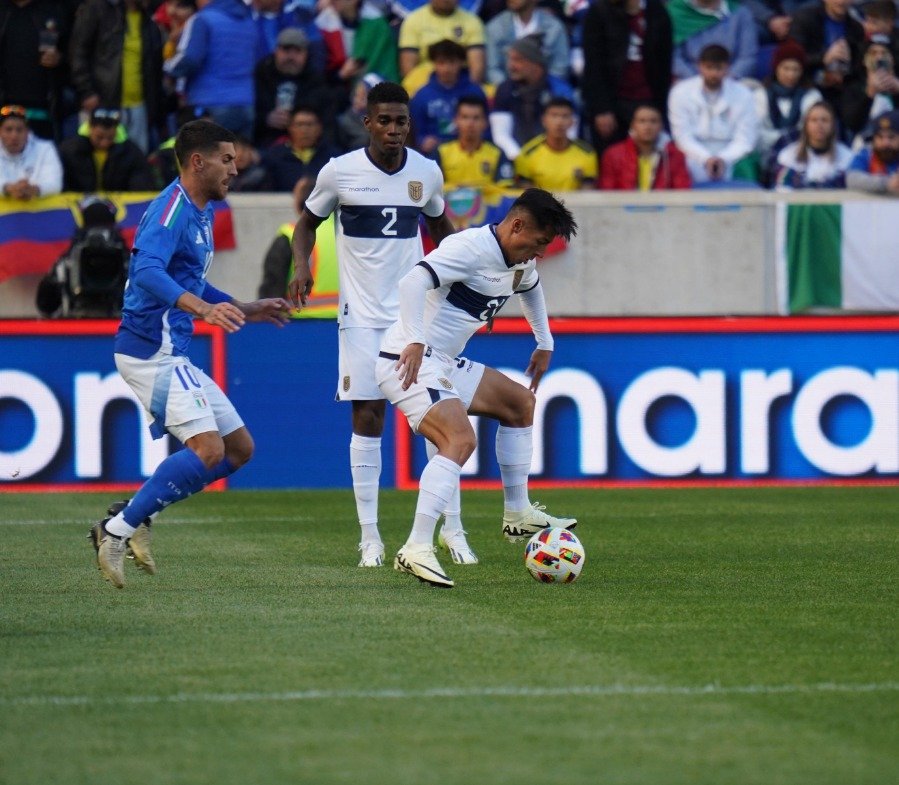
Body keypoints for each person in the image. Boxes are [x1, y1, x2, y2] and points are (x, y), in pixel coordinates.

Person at [88, 120, 292, 589]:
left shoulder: (200, 213)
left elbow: (191, 281)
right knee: (208, 448)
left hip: (171, 350)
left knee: (239, 449)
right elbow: (146, 271)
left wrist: (244, 306)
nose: (234, 170)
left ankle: (130, 514)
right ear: (197, 161)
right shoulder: (170, 210)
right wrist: (201, 309)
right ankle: (114, 531)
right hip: (149, 351)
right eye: (227, 159)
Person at [287, 81, 456, 568]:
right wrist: (303, 266)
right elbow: (305, 223)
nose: (393, 129)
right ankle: (371, 538)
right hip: (360, 317)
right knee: (368, 416)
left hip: (412, 316)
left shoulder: (425, 173)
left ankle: (447, 530)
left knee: (434, 420)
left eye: (401, 121)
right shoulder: (340, 172)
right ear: (367, 123)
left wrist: (460, 276)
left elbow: (442, 227)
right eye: (384, 120)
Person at [375, 188, 578, 588]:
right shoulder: (469, 248)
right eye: (538, 243)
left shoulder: (518, 263)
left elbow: (531, 288)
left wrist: (545, 341)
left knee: (520, 402)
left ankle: (517, 514)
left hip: (443, 362)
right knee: (460, 439)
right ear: (517, 225)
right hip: (406, 359)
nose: (537, 255)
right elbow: (413, 281)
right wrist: (414, 338)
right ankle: (416, 547)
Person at [68, 0, 165, 153]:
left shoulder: (149, 22)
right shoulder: (96, 9)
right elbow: (78, 53)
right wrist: (86, 91)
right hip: (102, 103)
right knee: (99, 161)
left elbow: (154, 69)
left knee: (135, 164)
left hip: (139, 108)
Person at [581, 0, 673, 153]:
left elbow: (664, 64)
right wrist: (601, 108)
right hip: (612, 101)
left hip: (648, 100)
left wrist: (659, 109)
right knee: (611, 159)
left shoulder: (658, 12)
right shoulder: (599, 12)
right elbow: (593, 64)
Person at [668, 44, 760, 186]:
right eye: (709, 68)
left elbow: (745, 139)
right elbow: (682, 136)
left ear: (727, 67)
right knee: (674, 159)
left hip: (732, 153)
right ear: (700, 66)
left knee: (748, 164)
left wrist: (723, 159)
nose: (713, 74)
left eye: (719, 68)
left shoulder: (744, 94)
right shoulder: (680, 92)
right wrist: (706, 158)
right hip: (692, 152)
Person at [163, 0, 257, 138]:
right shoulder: (248, 21)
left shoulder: (202, 19)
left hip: (210, 105)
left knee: (207, 156)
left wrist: (166, 67)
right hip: (246, 104)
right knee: (238, 157)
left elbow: (190, 59)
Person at [489, 35, 577, 161]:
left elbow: (570, 133)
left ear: (535, 64)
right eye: (510, 60)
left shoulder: (559, 90)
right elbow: (501, 135)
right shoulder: (505, 90)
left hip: (555, 159)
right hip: (515, 159)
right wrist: (522, 161)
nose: (511, 66)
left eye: (517, 60)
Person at [254, 27, 335, 149]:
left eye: (297, 51)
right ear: (276, 51)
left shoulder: (316, 80)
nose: (291, 57)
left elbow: (327, 120)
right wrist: (266, 119)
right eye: (286, 50)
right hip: (264, 143)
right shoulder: (260, 75)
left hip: (307, 147)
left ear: (306, 54)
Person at [0, 0, 70, 141]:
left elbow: (75, 51)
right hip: (5, 101)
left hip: (43, 103)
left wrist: (60, 58)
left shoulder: (55, 10)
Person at [753, 39, 823, 181]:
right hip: (765, 154)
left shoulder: (812, 96)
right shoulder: (760, 95)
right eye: (786, 68)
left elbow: (809, 132)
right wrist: (783, 139)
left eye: (795, 69)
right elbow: (757, 132)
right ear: (776, 68)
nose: (791, 75)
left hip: (802, 156)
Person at [409, 38, 486, 155]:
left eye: (452, 62)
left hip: (471, 153)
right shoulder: (421, 96)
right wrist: (422, 140)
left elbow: (487, 128)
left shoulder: (475, 91)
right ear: (434, 63)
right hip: (434, 156)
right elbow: (414, 132)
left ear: (460, 62)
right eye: (441, 62)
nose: (446, 68)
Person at [788, 0, 865, 113]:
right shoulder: (805, 19)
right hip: (807, 85)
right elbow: (792, 58)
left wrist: (846, 72)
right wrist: (823, 58)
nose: (841, 2)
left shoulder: (856, 28)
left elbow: (859, 67)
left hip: (842, 90)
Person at [58, 107, 155, 191]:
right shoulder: (70, 150)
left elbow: (141, 182)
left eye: (110, 138)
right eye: (99, 137)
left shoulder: (131, 152)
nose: (104, 143)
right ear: (90, 128)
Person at [398, 0, 486, 91]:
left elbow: (477, 69)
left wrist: (468, 92)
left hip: (462, 86)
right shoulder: (413, 21)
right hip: (423, 87)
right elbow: (408, 69)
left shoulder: (473, 22)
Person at [600, 103, 692, 189]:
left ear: (661, 126)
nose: (647, 126)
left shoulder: (674, 155)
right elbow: (607, 192)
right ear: (633, 125)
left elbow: (682, 190)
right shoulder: (613, 155)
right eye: (642, 121)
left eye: (653, 121)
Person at [514, 97, 597, 190]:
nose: (559, 122)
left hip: (575, 204)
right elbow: (525, 192)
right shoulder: (527, 153)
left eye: (565, 116)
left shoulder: (587, 153)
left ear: (572, 122)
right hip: (540, 204)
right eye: (554, 115)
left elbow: (587, 192)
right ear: (544, 120)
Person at [666, 0, 759, 81]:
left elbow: (747, 56)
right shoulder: (675, 13)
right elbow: (674, 58)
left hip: (733, 81)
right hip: (689, 80)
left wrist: (729, 79)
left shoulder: (741, 13)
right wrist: (696, 80)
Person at [435, 94, 514, 187]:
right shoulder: (441, 152)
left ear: (485, 122)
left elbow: (505, 192)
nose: (470, 123)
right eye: (465, 117)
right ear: (456, 121)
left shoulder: (497, 154)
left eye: (476, 118)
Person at [485, 0, 570, 85]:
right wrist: (509, 89)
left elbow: (560, 68)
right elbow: (492, 69)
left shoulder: (554, 27)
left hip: (546, 92)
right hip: (507, 92)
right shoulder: (495, 27)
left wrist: (543, 88)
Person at [773, 100, 852, 188]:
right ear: (805, 125)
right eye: (814, 120)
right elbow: (782, 188)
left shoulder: (847, 156)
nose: (819, 125)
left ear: (833, 125)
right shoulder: (788, 155)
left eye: (825, 120)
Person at [260, 106, 339, 191]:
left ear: (320, 128)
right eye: (299, 124)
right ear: (290, 128)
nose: (305, 130)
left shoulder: (334, 158)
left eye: (310, 125)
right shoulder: (273, 157)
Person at [841, 34, 899, 143]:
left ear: (893, 59)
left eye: (884, 53)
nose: (879, 58)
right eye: (873, 53)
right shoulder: (853, 88)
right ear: (864, 60)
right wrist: (869, 95)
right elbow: (851, 124)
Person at [0, 104, 62, 199]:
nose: (14, 136)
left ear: (28, 132)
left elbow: (55, 183)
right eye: (8, 130)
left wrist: (34, 190)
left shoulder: (45, 148)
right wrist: (8, 188)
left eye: (19, 130)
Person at [845, 108, 899, 193]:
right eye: (880, 137)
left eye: (891, 137)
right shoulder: (867, 154)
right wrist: (886, 183)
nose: (885, 143)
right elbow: (851, 179)